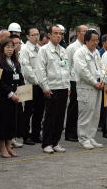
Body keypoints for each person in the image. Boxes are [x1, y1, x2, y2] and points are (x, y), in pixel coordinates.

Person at [37, 25, 70, 154]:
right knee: (50, 117)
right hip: (51, 88)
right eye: (55, 33)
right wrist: (45, 87)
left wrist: (68, 86)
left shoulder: (63, 50)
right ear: (49, 35)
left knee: (60, 117)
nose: (58, 36)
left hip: (62, 87)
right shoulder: (44, 50)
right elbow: (40, 70)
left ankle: (55, 142)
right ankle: (47, 143)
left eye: (60, 33)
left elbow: (66, 69)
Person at [0, 38, 25, 158]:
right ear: (2, 48)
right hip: (3, 98)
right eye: (7, 47)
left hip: (15, 98)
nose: (10, 49)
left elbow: (20, 77)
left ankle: (8, 145)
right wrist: (11, 94)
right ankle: (2, 148)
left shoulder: (15, 62)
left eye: (12, 47)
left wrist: (22, 91)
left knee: (11, 123)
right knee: (2, 123)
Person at [73, 29, 104, 149]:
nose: (95, 43)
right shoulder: (80, 53)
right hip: (86, 87)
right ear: (86, 41)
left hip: (97, 86)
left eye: (97, 40)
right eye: (93, 40)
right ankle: (83, 138)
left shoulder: (96, 53)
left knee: (95, 113)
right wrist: (94, 82)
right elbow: (82, 71)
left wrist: (101, 80)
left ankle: (91, 137)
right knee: (85, 113)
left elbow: (100, 68)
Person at [19, 26, 44, 145]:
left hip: (40, 85)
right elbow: (26, 69)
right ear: (28, 36)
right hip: (28, 84)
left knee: (39, 110)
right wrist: (37, 81)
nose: (36, 37)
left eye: (37, 34)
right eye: (33, 35)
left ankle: (36, 134)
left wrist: (42, 82)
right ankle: (25, 135)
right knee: (28, 110)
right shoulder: (25, 49)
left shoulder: (40, 49)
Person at [65, 25, 88, 142]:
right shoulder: (72, 48)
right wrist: (67, 84)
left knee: (82, 108)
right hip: (74, 80)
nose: (86, 33)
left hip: (84, 81)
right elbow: (67, 66)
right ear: (78, 33)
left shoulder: (87, 47)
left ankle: (79, 131)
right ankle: (70, 133)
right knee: (73, 107)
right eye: (84, 31)